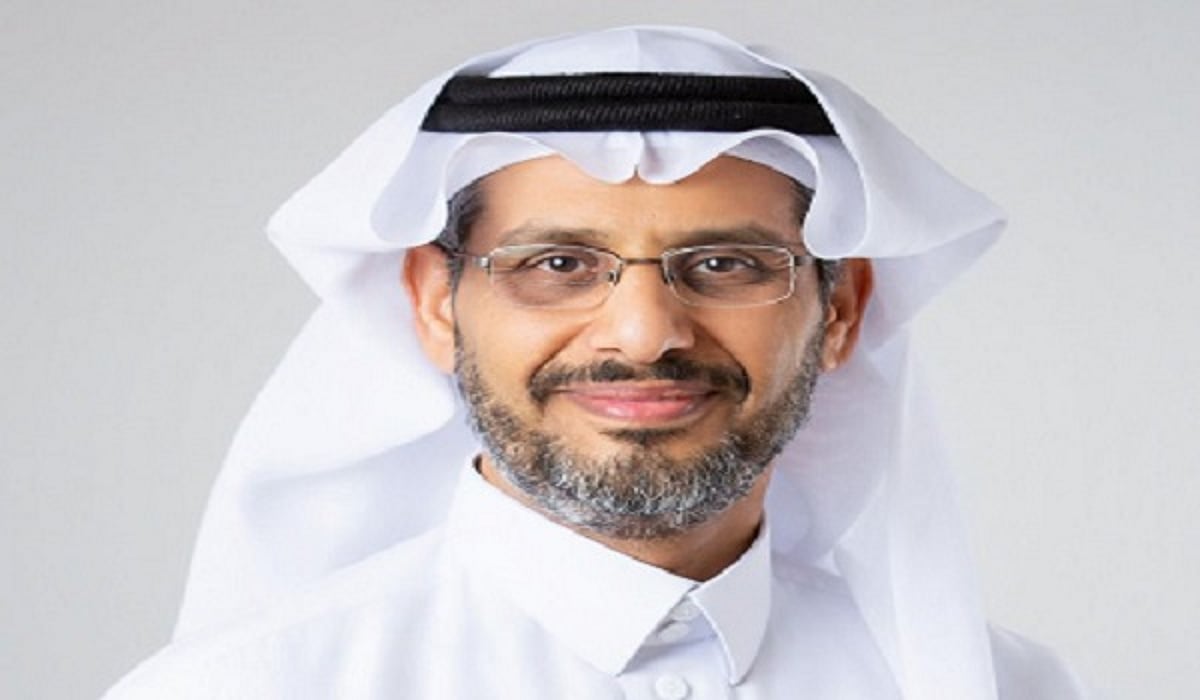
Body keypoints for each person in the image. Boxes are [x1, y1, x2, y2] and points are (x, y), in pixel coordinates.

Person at [106, 26, 1090, 699]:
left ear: (842, 310)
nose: (644, 333)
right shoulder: (245, 688)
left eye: (726, 264)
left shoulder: (1000, 687)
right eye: (557, 265)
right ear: (436, 302)